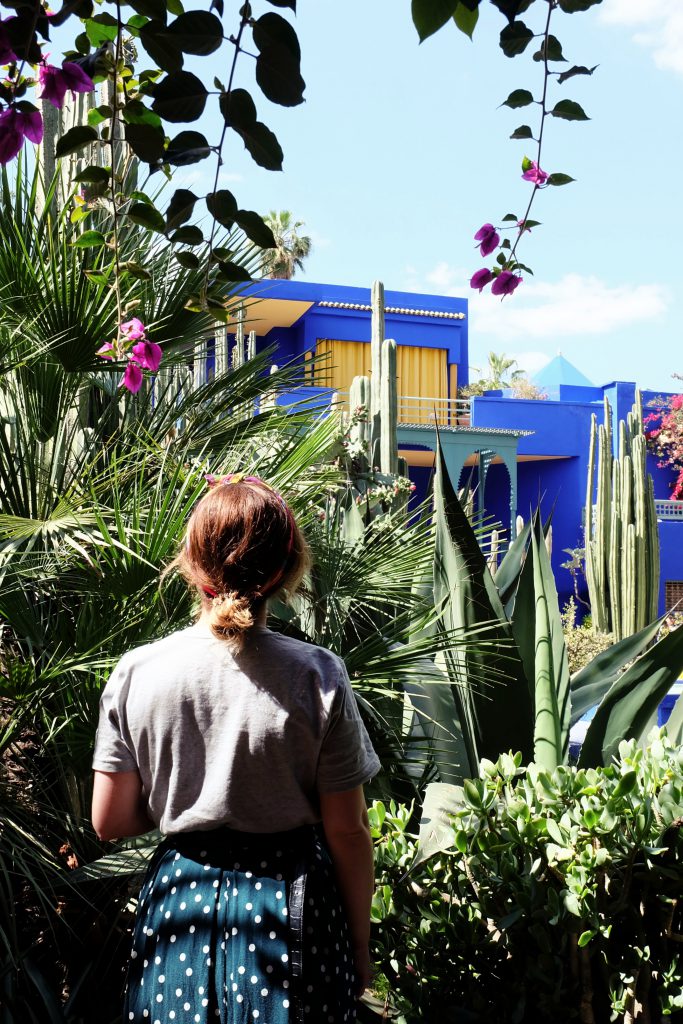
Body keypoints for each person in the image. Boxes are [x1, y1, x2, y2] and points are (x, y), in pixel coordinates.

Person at [91, 474, 380, 1024]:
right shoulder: (318, 675)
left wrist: (188, 798)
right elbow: (348, 829)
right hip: (294, 910)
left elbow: (108, 820)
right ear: (282, 572)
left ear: (193, 566)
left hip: (179, 906)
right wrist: (359, 947)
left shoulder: (137, 671)